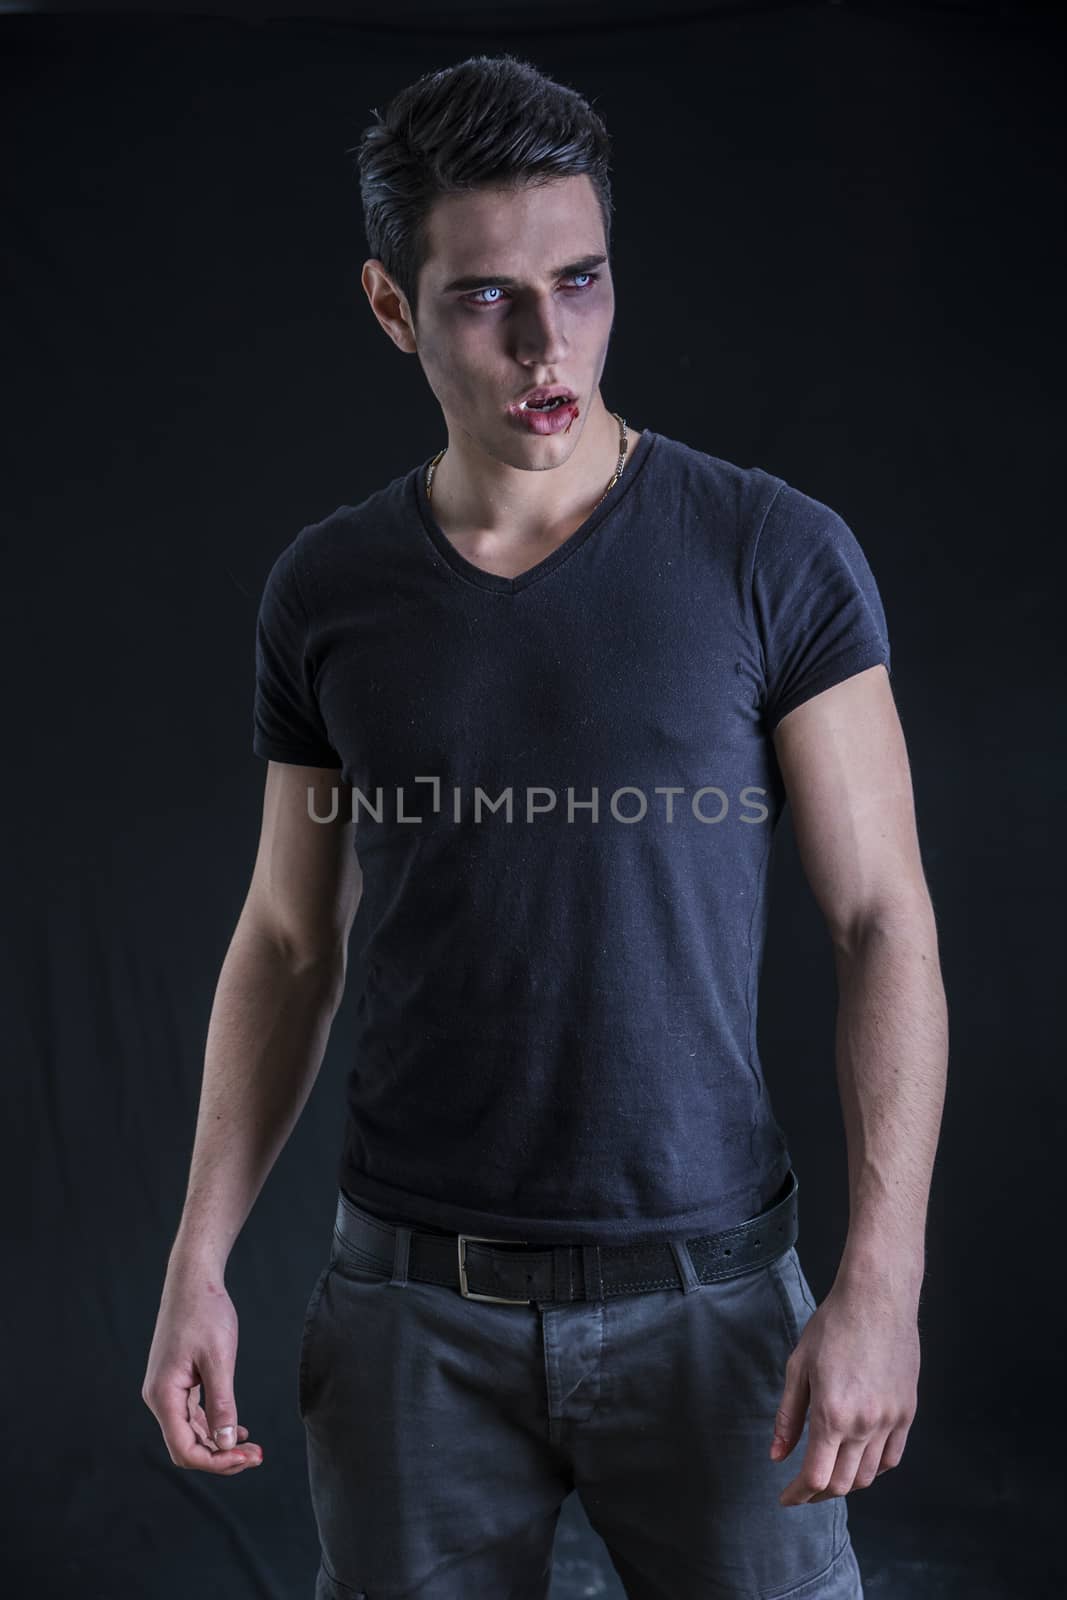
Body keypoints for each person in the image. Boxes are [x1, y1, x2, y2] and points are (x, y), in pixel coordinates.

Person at [142, 52, 948, 1600]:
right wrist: (197, 1255)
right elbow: (293, 936)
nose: (544, 342)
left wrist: (882, 1282)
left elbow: (881, 920)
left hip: (716, 1305)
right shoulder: (329, 592)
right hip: (407, 1315)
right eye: (483, 298)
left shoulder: (770, 552)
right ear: (392, 307)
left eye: (579, 281)